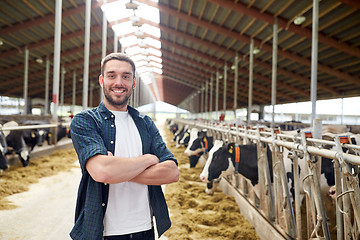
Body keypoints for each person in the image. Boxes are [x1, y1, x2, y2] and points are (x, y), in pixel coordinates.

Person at [69, 52, 179, 240]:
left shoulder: (146, 123)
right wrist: (148, 159)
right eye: (112, 76)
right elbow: (102, 172)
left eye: (126, 76)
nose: (119, 82)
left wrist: (117, 171)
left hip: (144, 229)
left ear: (133, 82)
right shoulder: (86, 121)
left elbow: (172, 172)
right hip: (103, 232)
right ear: (102, 80)